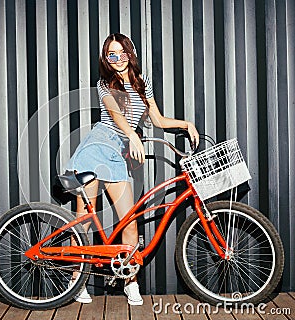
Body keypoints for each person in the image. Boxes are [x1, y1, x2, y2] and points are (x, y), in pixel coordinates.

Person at [64, 33, 199, 306]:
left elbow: (157, 120)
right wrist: (133, 135)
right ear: (106, 59)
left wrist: (186, 124)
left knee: (129, 222)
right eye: (111, 55)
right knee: (84, 221)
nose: (117, 59)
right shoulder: (105, 84)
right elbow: (114, 115)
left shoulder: (142, 84)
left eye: (122, 53)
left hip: (117, 155)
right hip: (97, 148)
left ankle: (130, 282)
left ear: (130, 53)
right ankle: (75, 281)